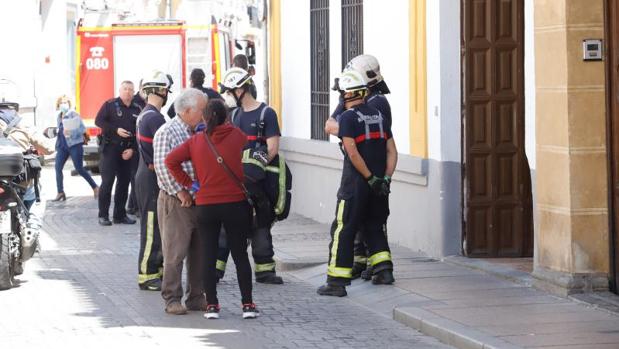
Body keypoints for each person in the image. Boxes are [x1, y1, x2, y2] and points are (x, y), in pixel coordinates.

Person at [165, 98, 259, 320]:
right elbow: (245, 148)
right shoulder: (237, 135)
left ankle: (212, 306)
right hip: (235, 204)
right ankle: (247, 305)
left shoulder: (196, 141)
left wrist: (190, 184)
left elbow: (171, 161)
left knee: (208, 254)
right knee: (240, 255)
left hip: (206, 205)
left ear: (205, 118)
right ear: (226, 117)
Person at [317, 69, 397, 297]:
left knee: (343, 229)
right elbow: (392, 151)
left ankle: (336, 282)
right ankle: (383, 271)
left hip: (355, 185)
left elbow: (352, 153)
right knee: (374, 225)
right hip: (379, 186)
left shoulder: (349, 118)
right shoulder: (379, 116)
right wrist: (384, 179)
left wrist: (369, 178)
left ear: (347, 94)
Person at [219, 67, 283, 284]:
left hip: (258, 182)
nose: (228, 96)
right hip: (235, 181)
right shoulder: (234, 115)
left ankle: (265, 271)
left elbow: (272, 148)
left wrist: (254, 172)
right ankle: (215, 271)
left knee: (260, 223)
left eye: (230, 91)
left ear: (241, 89)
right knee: (228, 226)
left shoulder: (267, 114)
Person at [153, 88, 208, 315]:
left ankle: (196, 296)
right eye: (202, 111)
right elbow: (163, 166)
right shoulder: (168, 131)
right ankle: (172, 298)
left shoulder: (197, 131)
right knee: (175, 252)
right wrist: (180, 192)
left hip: (199, 200)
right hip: (177, 202)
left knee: (199, 252)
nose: (205, 116)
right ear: (187, 111)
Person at [135, 71, 172, 291]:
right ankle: (148, 274)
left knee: (154, 225)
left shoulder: (144, 114)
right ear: (161, 90)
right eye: (166, 90)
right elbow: (164, 152)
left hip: (145, 175)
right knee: (151, 227)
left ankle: (154, 270)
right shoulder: (155, 118)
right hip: (150, 178)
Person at [95, 81, 141, 226]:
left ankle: (119, 215)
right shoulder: (110, 105)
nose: (128, 92)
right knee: (108, 182)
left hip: (127, 150)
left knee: (124, 183)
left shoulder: (138, 109)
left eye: (130, 90)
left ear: (134, 92)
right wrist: (115, 130)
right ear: (120, 91)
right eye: (125, 89)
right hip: (110, 149)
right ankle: (103, 215)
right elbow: (99, 121)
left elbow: (140, 132)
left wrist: (133, 149)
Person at [0, 100, 54, 210]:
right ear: (15, 109)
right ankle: (33, 225)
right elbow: (49, 149)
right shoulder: (23, 124)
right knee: (37, 194)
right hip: (20, 180)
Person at [51, 95, 99, 202]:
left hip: (74, 145)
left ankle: (95, 187)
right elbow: (60, 131)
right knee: (58, 168)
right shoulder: (59, 116)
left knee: (79, 169)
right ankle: (60, 192)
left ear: (69, 104)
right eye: (61, 102)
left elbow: (82, 129)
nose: (64, 104)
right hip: (62, 146)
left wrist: (71, 132)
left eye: (66, 102)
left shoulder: (73, 114)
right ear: (58, 105)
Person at [127, 79, 146, 216]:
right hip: (133, 145)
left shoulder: (144, 101)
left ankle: (132, 205)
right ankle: (136, 207)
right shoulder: (135, 103)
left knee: (136, 177)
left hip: (138, 144)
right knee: (135, 177)